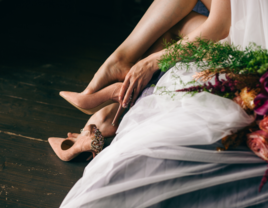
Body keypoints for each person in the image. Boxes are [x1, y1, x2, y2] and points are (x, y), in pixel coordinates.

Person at [50, 0, 268, 207]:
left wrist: (151, 61)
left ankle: (113, 96)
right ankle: (114, 96)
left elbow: (220, 26)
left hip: (256, 48)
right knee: (180, 25)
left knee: (178, 28)